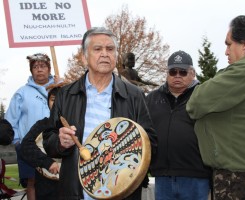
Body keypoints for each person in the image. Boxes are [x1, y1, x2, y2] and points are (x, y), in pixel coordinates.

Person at [43, 27, 157, 200]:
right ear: (84, 57)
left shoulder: (135, 95)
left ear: (116, 55)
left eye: (110, 49)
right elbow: (48, 141)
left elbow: (150, 142)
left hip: (121, 191)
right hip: (76, 192)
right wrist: (60, 142)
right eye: (97, 49)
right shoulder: (65, 95)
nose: (105, 54)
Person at [186, 15, 245, 199]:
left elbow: (196, 103)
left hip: (244, 180)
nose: (226, 52)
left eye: (229, 44)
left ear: (244, 43)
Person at [146, 50, 211, 200]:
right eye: (173, 71)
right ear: (167, 73)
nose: (177, 75)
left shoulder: (204, 96)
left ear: (192, 73)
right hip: (162, 176)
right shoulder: (151, 98)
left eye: (183, 72)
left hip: (196, 176)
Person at [4, 53, 55, 200]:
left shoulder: (59, 88)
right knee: (32, 182)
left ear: (49, 69)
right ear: (31, 70)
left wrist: (63, 84)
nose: (39, 70)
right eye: (35, 67)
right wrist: (18, 142)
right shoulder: (22, 93)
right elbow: (10, 121)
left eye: (43, 66)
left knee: (57, 180)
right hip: (28, 146)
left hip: (53, 145)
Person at [20, 82, 65, 200]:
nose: (56, 103)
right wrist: (48, 162)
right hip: (46, 186)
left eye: (60, 99)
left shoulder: (78, 125)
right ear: (48, 102)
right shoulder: (41, 124)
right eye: (53, 99)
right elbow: (25, 147)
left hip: (70, 185)